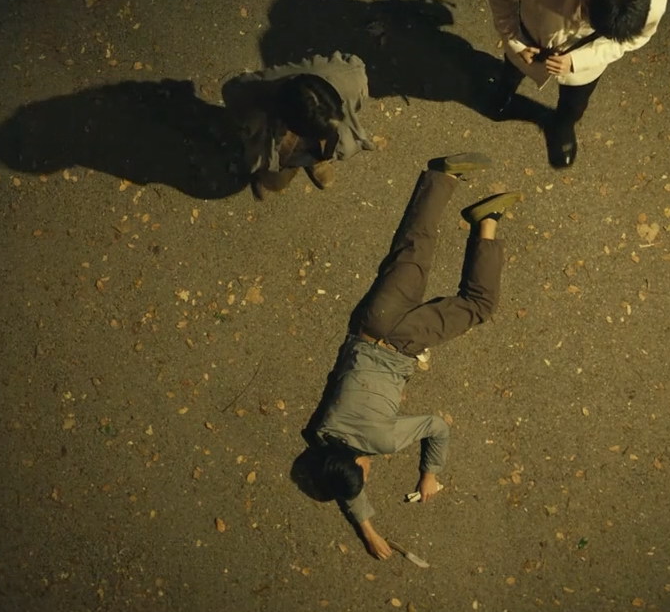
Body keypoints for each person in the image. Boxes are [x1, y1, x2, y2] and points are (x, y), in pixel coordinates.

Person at [304, 153, 521, 559]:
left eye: (364, 475)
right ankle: (442, 175)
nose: (367, 477)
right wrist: (369, 532)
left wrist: (430, 474)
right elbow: (341, 480)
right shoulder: (321, 433)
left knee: (478, 305)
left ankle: (487, 221)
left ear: (361, 465)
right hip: (372, 320)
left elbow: (437, 427)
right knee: (412, 248)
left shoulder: (382, 441)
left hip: (404, 341)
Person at [485, 0, 668, 168]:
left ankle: (561, 127)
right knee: (511, 72)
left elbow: (634, 40)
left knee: (574, 105)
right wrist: (515, 41)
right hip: (529, 43)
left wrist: (577, 61)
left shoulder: (651, 4)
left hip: (586, 64)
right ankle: (503, 94)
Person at [221, 52, 377, 199]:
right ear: (293, 129)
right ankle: (287, 165)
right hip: (276, 128)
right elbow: (232, 91)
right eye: (321, 136)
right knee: (276, 182)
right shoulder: (250, 97)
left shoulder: (350, 76)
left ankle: (316, 160)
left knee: (336, 146)